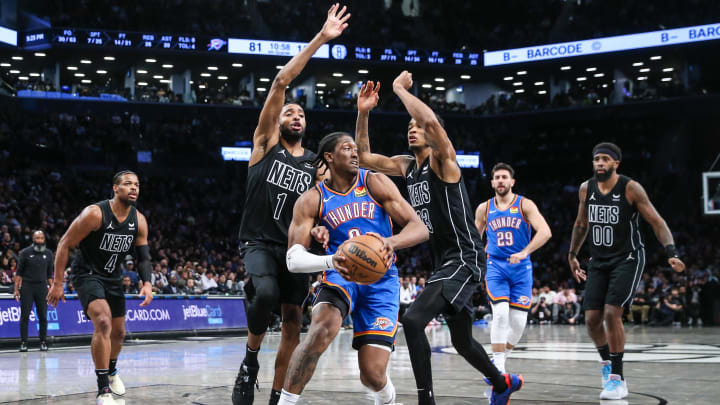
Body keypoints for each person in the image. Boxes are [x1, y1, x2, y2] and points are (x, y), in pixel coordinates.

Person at [354, 75, 522, 405]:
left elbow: (431, 120)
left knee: (414, 321)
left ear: (432, 134)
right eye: (409, 126)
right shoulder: (407, 166)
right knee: (462, 341)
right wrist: (363, 113)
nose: (412, 128)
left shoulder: (442, 161)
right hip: (442, 260)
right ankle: (501, 383)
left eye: (418, 125)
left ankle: (425, 400)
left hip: (464, 256)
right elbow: (363, 157)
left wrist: (401, 90)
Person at [232, 5, 350, 405]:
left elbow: (323, 209)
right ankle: (250, 363)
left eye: (300, 113)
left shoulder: (317, 165)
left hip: (296, 249)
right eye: (289, 111)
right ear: (277, 119)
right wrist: (321, 38)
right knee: (263, 296)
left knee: (292, 325)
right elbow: (282, 80)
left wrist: (322, 232)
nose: (295, 115)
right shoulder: (264, 145)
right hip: (259, 242)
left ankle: (277, 398)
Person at [278, 131, 429, 405]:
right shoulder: (312, 199)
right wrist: (329, 260)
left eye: (355, 149)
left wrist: (390, 242)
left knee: (371, 375)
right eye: (347, 148)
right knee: (320, 331)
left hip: (381, 281)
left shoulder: (375, 182)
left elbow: (420, 228)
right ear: (329, 157)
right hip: (340, 274)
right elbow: (293, 259)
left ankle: (387, 398)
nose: (355, 153)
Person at [568, 142, 686, 400]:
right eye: (596, 159)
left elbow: (657, 221)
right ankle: (607, 364)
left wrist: (672, 253)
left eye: (604, 159)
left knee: (612, 314)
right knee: (590, 320)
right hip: (598, 260)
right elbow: (581, 224)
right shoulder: (586, 189)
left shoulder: (630, 188)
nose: (599, 163)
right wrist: (572, 254)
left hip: (628, 258)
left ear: (615, 164)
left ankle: (617, 379)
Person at [47, 170, 154, 405]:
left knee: (119, 333)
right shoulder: (95, 214)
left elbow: (143, 257)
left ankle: (112, 370)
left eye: (137, 184)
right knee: (103, 322)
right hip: (87, 274)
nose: (134, 188)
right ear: (115, 188)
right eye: (127, 184)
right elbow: (65, 243)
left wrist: (147, 283)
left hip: (113, 277)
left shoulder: (140, 220)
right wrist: (57, 283)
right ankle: (103, 389)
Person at [474, 163, 552, 375]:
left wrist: (525, 251)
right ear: (492, 183)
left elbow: (545, 232)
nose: (500, 180)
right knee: (500, 313)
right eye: (497, 177)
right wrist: (476, 259)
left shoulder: (525, 205)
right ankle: (498, 365)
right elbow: (474, 238)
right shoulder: (484, 208)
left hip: (521, 267)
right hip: (495, 265)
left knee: (518, 323)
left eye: (504, 177)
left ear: (512, 182)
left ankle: (500, 357)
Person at [14, 230, 55, 352]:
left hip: (42, 287)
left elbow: (49, 275)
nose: (40, 240)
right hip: (27, 286)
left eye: (42, 238)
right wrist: (16, 289)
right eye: (37, 238)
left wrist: (52, 289)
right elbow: (19, 273)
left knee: (43, 316)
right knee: (25, 316)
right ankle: (23, 343)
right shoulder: (25, 253)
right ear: (33, 239)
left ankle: (43, 342)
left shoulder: (48, 254)